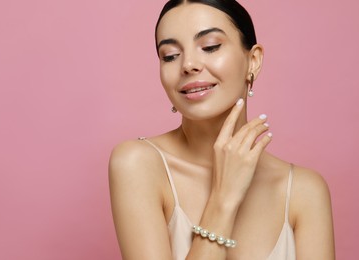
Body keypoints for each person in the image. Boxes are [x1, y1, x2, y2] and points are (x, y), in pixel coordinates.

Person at [109, 0, 335, 259]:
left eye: (210, 46)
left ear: (253, 61)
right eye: (170, 55)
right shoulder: (138, 163)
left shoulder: (304, 191)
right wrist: (224, 197)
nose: (188, 64)